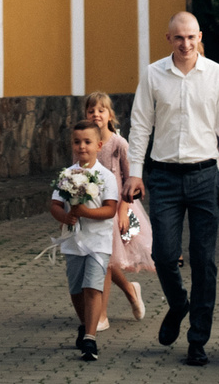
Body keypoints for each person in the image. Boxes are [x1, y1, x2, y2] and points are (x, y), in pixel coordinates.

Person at [126, 12, 219, 368]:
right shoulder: (153, 74)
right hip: (163, 177)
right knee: (163, 254)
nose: (186, 44)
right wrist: (134, 173)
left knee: (204, 260)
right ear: (169, 38)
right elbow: (140, 125)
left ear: (200, 36)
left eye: (191, 37)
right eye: (179, 38)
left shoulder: (217, 75)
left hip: (206, 176)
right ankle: (178, 304)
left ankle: (197, 339)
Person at [50, 118, 123, 361]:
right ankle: (85, 324)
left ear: (99, 145)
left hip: (98, 242)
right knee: (76, 289)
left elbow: (110, 209)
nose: (82, 146)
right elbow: (55, 204)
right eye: (77, 142)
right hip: (73, 241)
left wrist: (85, 212)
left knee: (93, 287)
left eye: (87, 142)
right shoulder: (67, 174)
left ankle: (90, 339)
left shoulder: (105, 176)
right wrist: (65, 216)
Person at [84, 92, 149, 325]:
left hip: (117, 209)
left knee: (106, 261)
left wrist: (123, 212)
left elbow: (131, 180)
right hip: (92, 209)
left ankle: (100, 315)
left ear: (110, 115)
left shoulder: (119, 144)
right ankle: (131, 290)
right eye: (91, 111)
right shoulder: (85, 143)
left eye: (101, 110)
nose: (96, 114)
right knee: (103, 260)